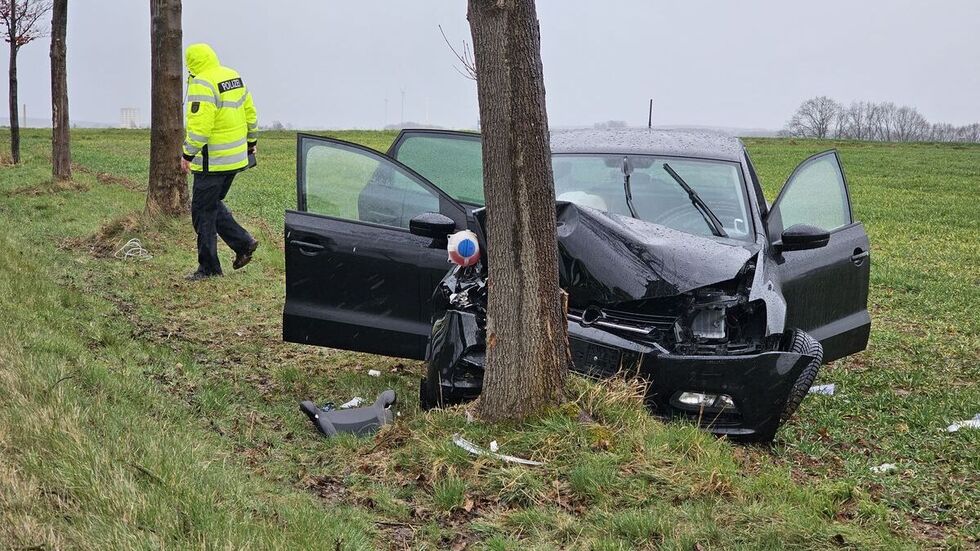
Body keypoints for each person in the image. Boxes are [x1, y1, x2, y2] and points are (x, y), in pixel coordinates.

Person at [181, 43, 260, 281]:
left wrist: (187, 155)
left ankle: (209, 268)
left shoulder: (202, 83)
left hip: (212, 162)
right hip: (235, 159)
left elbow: (200, 128)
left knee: (202, 212)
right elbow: (250, 112)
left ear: (191, 64)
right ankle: (244, 243)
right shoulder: (232, 76)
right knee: (212, 204)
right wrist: (251, 141)